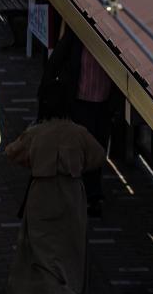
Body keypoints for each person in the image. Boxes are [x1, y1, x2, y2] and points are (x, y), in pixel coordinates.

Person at [5, 81, 105, 294]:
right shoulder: (78, 132)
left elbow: (12, 153)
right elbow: (98, 156)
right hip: (71, 195)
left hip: (42, 195)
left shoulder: (37, 132)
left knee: (42, 250)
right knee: (68, 249)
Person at [43, 30, 114, 216]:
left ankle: (92, 195)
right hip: (79, 102)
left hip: (103, 104)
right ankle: (79, 193)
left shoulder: (113, 38)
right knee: (79, 148)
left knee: (97, 148)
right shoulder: (77, 33)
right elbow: (57, 59)